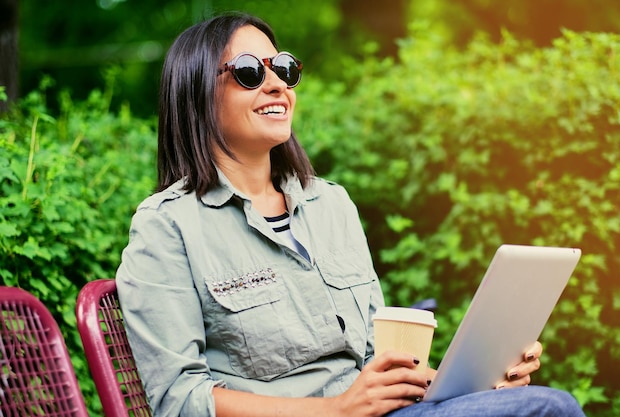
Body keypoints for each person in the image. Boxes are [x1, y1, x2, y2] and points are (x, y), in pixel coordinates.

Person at [115, 12, 586, 417]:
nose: (277, 83)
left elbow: (372, 359)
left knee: (533, 403)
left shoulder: (330, 204)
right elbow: (178, 399)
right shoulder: (168, 226)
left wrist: (476, 380)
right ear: (196, 91)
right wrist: (335, 409)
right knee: (553, 409)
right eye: (248, 72)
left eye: (282, 67)